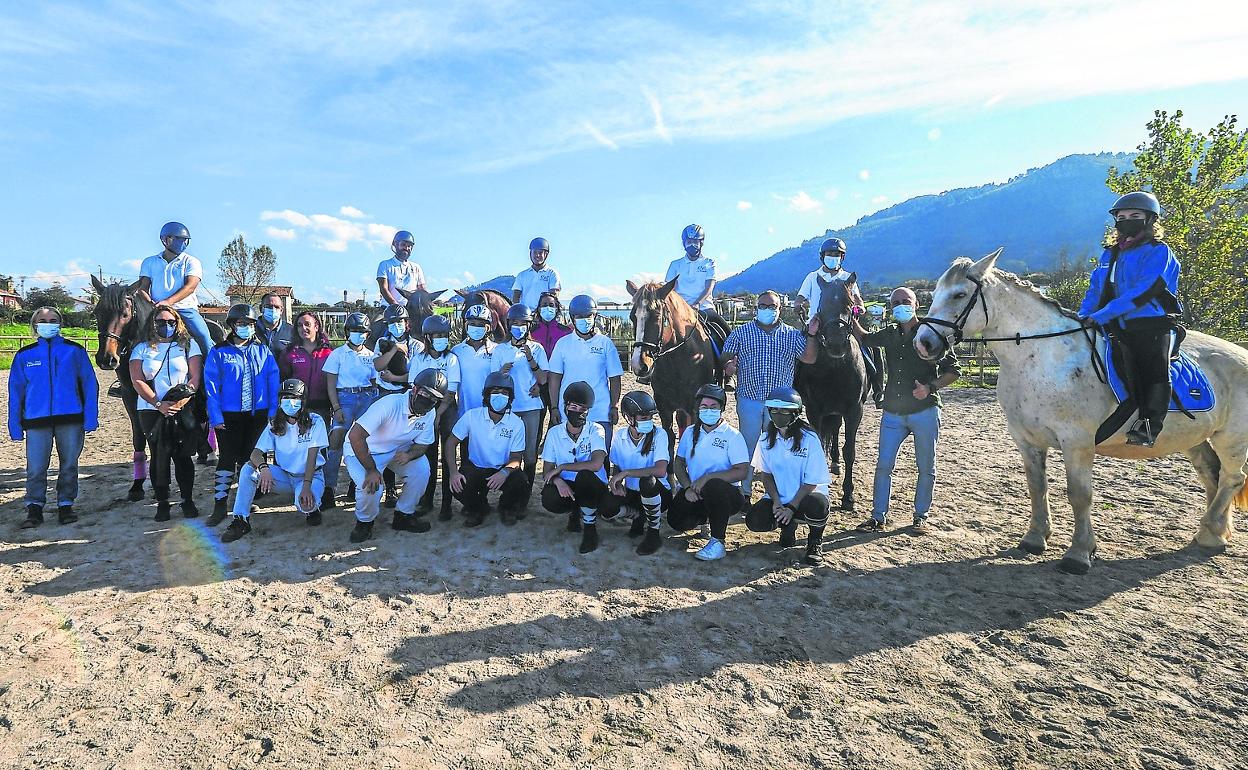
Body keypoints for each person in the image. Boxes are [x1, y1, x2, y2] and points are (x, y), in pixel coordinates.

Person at [848, 287, 960, 531]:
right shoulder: (890, 334)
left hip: (925, 411)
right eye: (895, 302)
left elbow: (954, 371)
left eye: (905, 301)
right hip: (893, 411)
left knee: (926, 467)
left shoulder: (931, 334)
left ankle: (921, 516)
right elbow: (865, 338)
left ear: (916, 304)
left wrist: (930, 387)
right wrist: (853, 314)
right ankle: (878, 517)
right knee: (884, 465)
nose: (900, 305)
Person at [1078, 190, 1181, 447]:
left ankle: (1149, 424)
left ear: (1150, 220)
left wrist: (1102, 315)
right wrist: (1081, 318)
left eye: (1134, 215)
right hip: (1111, 323)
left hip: (1150, 324)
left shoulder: (1159, 252)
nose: (1126, 220)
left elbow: (1144, 291)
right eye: (1121, 216)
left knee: (1155, 369)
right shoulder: (1109, 254)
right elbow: (1095, 290)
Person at [8, 307, 98, 528]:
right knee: (36, 467)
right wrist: (15, 424)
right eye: (43, 320)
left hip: (70, 419)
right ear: (34, 324)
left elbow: (89, 384)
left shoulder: (74, 351)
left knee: (69, 464)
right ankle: (34, 507)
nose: (48, 323)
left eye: (53, 320)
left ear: (60, 323)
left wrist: (90, 417)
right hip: (36, 422)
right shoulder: (24, 355)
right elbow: (15, 391)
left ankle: (65, 504)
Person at [720, 290, 817, 490]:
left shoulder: (791, 334)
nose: (767, 310)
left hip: (780, 403)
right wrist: (728, 365)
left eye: (772, 306)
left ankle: (777, 492)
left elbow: (809, 358)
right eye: (763, 306)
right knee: (748, 445)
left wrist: (813, 335)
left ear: (779, 309)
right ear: (756, 308)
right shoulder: (741, 332)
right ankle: (744, 491)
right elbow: (726, 354)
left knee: (779, 447)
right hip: (749, 398)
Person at [344, 369, 447, 543]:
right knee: (370, 485)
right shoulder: (390, 404)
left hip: (396, 451)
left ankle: (404, 515)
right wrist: (371, 469)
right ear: (414, 389)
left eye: (434, 398)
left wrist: (409, 455)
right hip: (364, 451)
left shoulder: (429, 413)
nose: (428, 400)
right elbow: (356, 436)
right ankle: (365, 523)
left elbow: (423, 444)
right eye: (425, 393)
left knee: (422, 470)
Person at [221, 379, 330, 543]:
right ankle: (240, 520)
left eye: (295, 397)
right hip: (285, 476)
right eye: (285, 398)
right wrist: (264, 468)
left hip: (311, 476)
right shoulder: (274, 423)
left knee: (306, 504)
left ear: (304, 401)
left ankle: (312, 510)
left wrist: (306, 486)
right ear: (279, 401)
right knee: (248, 470)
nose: (289, 402)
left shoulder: (315, 421)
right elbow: (256, 453)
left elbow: (312, 457)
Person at [204, 304, 281, 526]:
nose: (245, 328)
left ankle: (245, 501)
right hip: (229, 416)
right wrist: (216, 416)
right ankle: (220, 505)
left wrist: (273, 412)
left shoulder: (263, 351)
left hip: (258, 416)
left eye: (248, 324)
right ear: (231, 325)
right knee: (227, 458)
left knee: (251, 459)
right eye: (240, 324)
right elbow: (211, 387)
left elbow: (272, 382)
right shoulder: (219, 352)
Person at [128, 304, 202, 521]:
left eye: (171, 322)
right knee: (159, 455)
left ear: (177, 323)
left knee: (183, 456)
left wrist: (181, 401)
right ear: (153, 323)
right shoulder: (141, 348)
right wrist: (158, 403)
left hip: (182, 406)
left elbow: (195, 378)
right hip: (151, 409)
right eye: (161, 322)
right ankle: (162, 501)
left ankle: (187, 499)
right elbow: (137, 379)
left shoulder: (189, 345)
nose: (166, 326)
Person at [745, 387, 831, 565]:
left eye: (784, 410)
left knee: (818, 505)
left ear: (796, 413)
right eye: (774, 410)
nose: (778, 414)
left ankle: (815, 542)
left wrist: (791, 507)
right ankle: (787, 526)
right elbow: (766, 474)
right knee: (754, 520)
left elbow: (811, 482)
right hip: (781, 499)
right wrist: (776, 501)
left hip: (806, 497)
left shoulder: (810, 439)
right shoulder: (765, 439)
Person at [667, 384, 749, 561]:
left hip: (726, 494)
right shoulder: (689, 433)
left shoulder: (732, 436)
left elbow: (742, 471)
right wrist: (688, 487)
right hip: (695, 491)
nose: (708, 411)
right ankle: (704, 518)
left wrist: (709, 477)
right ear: (698, 408)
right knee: (676, 520)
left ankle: (718, 541)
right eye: (704, 407)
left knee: (714, 486)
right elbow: (679, 463)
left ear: (722, 409)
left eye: (714, 407)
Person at [798, 238, 884, 403]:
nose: (833, 257)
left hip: (845, 325)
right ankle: (796, 390)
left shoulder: (848, 278)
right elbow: (801, 297)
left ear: (842, 257)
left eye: (837, 254)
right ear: (823, 256)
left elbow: (858, 301)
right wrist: (798, 304)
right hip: (817, 325)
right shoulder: (812, 277)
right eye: (830, 254)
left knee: (873, 348)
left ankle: (878, 389)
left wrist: (860, 308)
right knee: (796, 352)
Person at [445, 371, 531, 526]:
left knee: (521, 482)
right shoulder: (472, 416)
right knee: (457, 485)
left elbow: (516, 459)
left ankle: (506, 507)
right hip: (476, 468)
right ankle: (478, 508)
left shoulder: (516, 423)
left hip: (502, 469)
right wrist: (453, 472)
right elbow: (451, 443)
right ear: (486, 395)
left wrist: (504, 473)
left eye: (505, 393)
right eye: (495, 392)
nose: (500, 396)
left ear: (511, 398)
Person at [597, 390, 670, 556]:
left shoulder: (660, 435)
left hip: (658, 493)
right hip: (632, 493)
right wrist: (616, 485)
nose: (649, 422)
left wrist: (628, 473)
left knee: (648, 481)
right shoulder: (620, 436)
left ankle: (653, 532)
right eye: (644, 418)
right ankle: (638, 516)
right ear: (629, 418)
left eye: (651, 418)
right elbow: (617, 468)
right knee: (606, 507)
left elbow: (660, 470)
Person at [547, 295, 622, 452]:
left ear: (594, 316)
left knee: (601, 456)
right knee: (569, 454)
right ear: (573, 318)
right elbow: (554, 378)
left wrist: (614, 406)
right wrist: (554, 407)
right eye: (579, 316)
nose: (584, 320)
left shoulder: (605, 344)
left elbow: (615, 378)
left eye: (588, 316)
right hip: (569, 410)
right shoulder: (563, 344)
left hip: (600, 410)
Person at [540, 381, 608, 553]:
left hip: (593, 484)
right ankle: (574, 512)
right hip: (568, 486)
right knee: (549, 497)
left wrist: (562, 467)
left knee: (585, 476)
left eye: (583, 409)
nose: (577, 412)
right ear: (566, 406)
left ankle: (590, 530)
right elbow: (547, 471)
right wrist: (557, 480)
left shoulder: (596, 429)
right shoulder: (554, 433)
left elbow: (596, 464)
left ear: (588, 411)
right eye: (574, 406)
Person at [132, 221, 213, 360]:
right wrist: (150, 302)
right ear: (166, 239)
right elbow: (142, 288)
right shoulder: (149, 262)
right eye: (180, 239)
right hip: (155, 309)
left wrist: (168, 302)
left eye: (186, 240)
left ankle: (212, 370)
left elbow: (190, 287)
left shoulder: (191, 261)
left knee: (203, 336)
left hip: (185, 309)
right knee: (131, 335)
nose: (184, 243)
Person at [407, 314, 461, 519]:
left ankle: (446, 503)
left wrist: (437, 415)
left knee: (447, 456)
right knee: (427, 455)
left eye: (444, 335)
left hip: (446, 409)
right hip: (424, 408)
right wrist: (428, 416)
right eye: (437, 335)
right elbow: (414, 387)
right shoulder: (418, 359)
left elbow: (450, 393)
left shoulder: (451, 359)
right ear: (427, 338)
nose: (441, 339)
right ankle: (426, 499)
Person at [322, 312, 378, 509]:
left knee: (363, 442)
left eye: (362, 331)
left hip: (367, 397)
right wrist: (336, 407)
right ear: (347, 332)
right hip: (344, 398)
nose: (358, 334)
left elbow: (374, 381)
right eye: (354, 331)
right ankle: (329, 488)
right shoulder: (337, 354)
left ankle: (356, 484)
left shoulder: (371, 356)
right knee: (336, 442)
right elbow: (330, 384)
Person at [491, 304, 549, 481]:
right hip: (508, 407)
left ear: (529, 325)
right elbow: (493, 380)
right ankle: (510, 490)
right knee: (509, 451)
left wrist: (531, 359)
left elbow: (543, 379)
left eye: (523, 323)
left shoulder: (537, 349)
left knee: (530, 452)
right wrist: (501, 372)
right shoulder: (500, 350)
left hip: (531, 406)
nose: (518, 327)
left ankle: (527, 491)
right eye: (514, 323)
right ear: (508, 325)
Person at [664, 223, 729, 342]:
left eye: (696, 242)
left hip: (704, 308)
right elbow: (670, 288)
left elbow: (709, 287)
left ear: (701, 243)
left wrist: (698, 303)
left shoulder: (709, 263)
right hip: (680, 310)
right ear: (684, 243)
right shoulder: (675, 265)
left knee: (726, 332)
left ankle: (732, 357)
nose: (692, 245)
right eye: (689, 242)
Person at [279, 311, 333, 425]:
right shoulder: (289, 352)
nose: (303, 328)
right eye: (299, 325)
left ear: (316, 326)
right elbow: (283, 380)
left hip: (322, 408)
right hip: (296, 408)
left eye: (307, 324)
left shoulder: (329, 353)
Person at [452, 304, 497, 417]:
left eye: (481, 325)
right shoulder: (456, 351)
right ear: (466, 326)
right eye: (472, 324)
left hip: (489, 413)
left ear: (488, 327)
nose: (476, 328)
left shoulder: (497, 350)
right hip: (464, 413)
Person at [373, 304, 417, 396]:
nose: (396, 325)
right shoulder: (381, 342)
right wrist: (395, 348)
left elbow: (416, 375)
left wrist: (393, 378)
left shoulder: (417, 345)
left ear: (406, 323)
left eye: (399, 321)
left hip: (406, 393)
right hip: (384, 392)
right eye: (392, 322)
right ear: (387, 325)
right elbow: (378, 366)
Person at [376, 230, 426, 307]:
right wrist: (395, 305)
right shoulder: (385, 264)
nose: (406, 248)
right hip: (389, 308)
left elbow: (422, 289)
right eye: (403, 244)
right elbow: (383, 289)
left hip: (411, 309)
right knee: (376, 319)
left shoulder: (416, 267)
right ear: (395, 245)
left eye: (409, 246)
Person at [512, 237, 561, 308]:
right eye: (535, 252)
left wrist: (540, 311)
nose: (537, 255)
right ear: (530, 254)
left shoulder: (552, 274)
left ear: (546, 255)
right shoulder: (521, 275)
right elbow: (516, 297)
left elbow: (553, 296)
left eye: (540, 253)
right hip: (526, 316)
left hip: (544, 314)